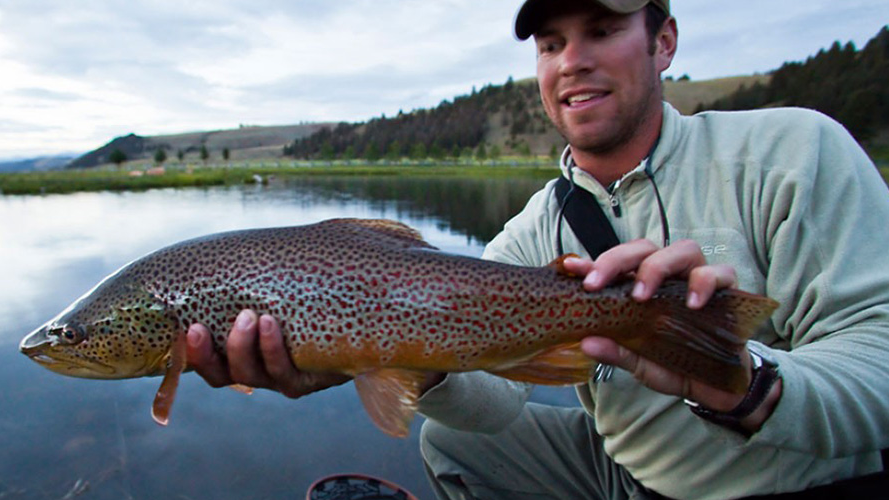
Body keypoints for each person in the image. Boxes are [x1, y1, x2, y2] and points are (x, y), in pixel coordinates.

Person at [186, 0, 889, 498]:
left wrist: (747, 383)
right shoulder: (532, 231)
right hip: (628, 476)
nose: (572, 61)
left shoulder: (791, 152)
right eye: (551, 44)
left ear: (664, 40)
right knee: (451, 440)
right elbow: (500, 405)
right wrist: (401, 358)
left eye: (602, 29)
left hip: (805, 477)